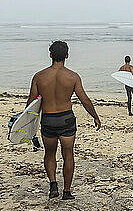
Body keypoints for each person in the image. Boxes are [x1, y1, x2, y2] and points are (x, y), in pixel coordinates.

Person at [27, 41, 101, 200]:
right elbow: (85, 100)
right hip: (66, 119)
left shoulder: (39, 77)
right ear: (67, 55)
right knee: (68, 154)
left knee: (50, 153)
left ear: (50, 55)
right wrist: (95, 116)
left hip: (48, 120)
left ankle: (53, 184)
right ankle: (66, 192)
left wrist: (27, 125)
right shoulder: (73, 77)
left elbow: (31, 104)